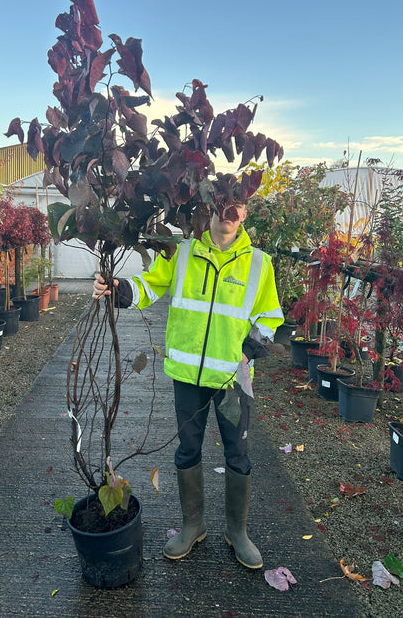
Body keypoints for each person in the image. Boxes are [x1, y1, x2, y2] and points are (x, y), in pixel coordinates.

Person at [93, 191, 283, 569]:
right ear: (209, 207)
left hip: (233, 379)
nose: (228, 212)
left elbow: (270, 317)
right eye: (222, 202)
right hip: (187, 376)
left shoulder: (260, 264)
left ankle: (237, 532)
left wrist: (245, 352)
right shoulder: (180, 251)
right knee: (187, 450)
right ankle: (192, 526)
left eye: (237, 205)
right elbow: (150, 284)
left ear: (244, 213)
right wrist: (120, 290)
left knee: (238, 454)